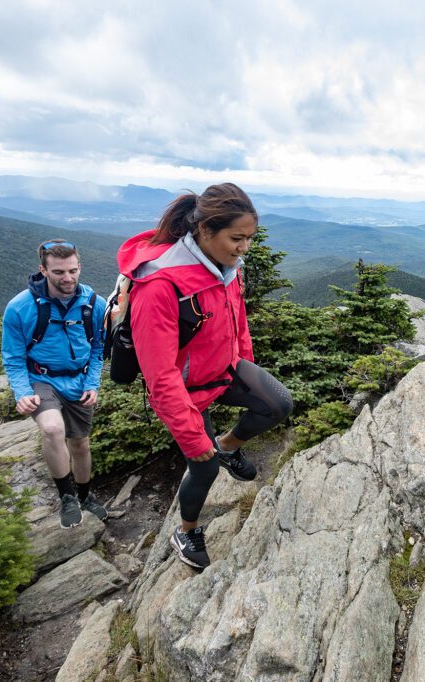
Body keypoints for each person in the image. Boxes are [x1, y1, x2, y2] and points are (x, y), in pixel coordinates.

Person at [116, 183, 293, 569]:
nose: (244, 247)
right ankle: (187, 529)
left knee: (277, 403)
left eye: (249, 238)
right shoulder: (160, 286)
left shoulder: (227, 268)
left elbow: (237, 320)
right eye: (236, 238)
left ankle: (229, 445)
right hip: (185, 390)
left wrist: (245, 362)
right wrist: (196, 439)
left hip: (223, 370)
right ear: (205, 230)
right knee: (204, 465)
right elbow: (160, 376)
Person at [2, 239, 108, 528]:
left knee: (81, 445)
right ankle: (67, 497)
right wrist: (22, 392)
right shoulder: (20, 307)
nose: (68, 278)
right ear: (43, 270)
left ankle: (86, 496)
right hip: (41, 378)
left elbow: (99, 347)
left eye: (73, 271)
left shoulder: (94, 304)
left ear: (80, 267)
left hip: (79, 380)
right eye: (59, 272)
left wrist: (93, 383)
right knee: (52, 428)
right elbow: (13, 356)